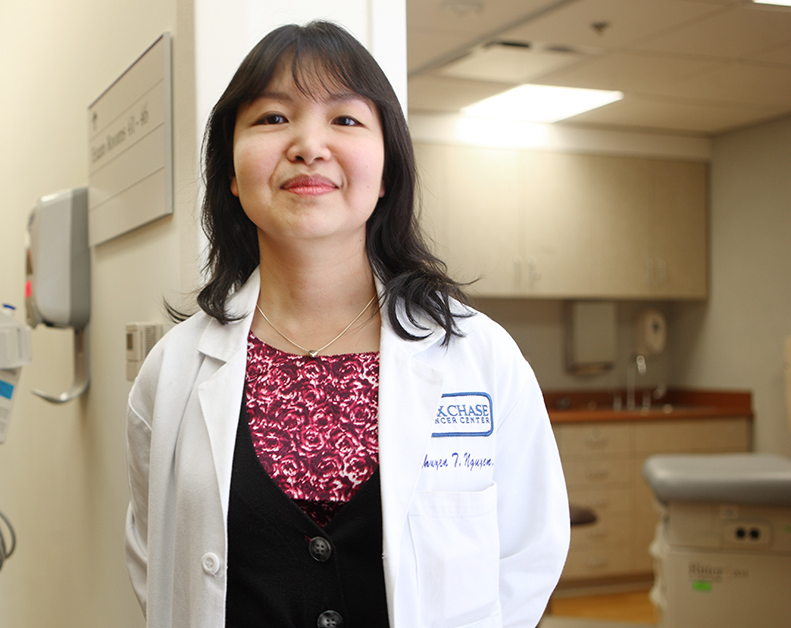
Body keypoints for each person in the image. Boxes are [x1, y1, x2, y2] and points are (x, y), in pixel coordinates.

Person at [124, 21, 569, 628]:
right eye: (273, 118)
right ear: (230, 171)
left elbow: (528, 556)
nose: (309, 144)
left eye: (346, 119)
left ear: (386, 170)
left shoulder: (479, 358)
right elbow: (158, 561)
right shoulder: (172, 370)